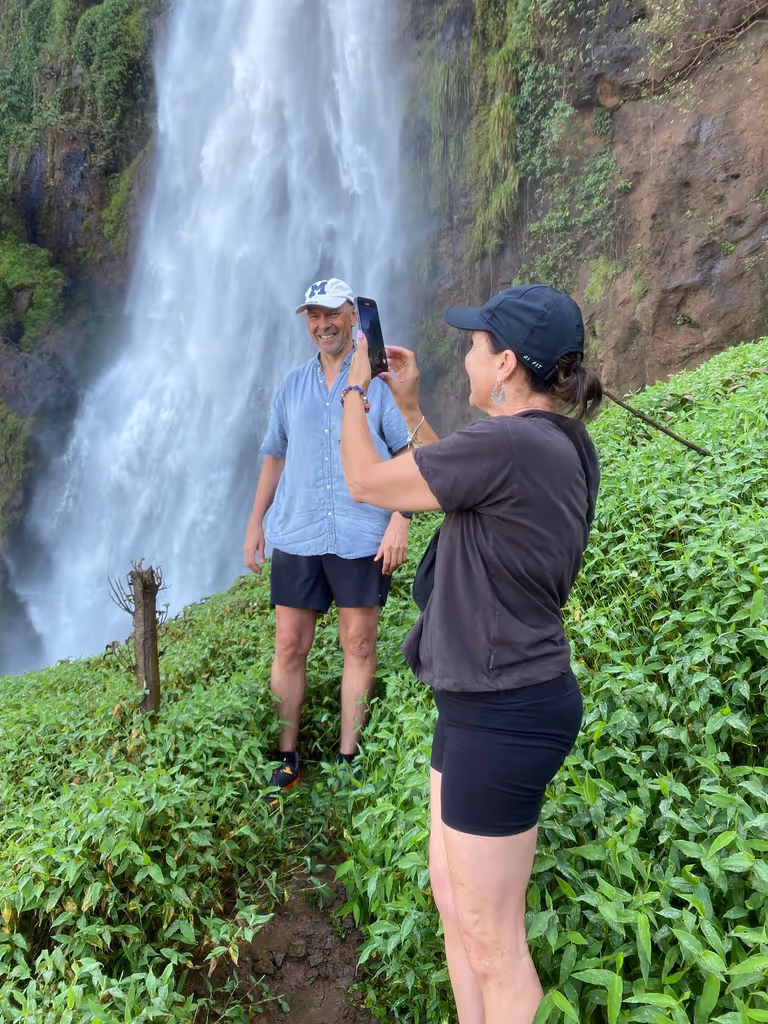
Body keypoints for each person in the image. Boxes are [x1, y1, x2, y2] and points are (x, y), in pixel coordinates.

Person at [339, 284, 602, 1024]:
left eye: (476, 344)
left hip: (505, 709)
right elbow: (463, 486)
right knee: (453, 899)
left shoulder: (513, 444)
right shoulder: (555, 445)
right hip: (480, 700)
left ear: (509, 363)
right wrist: (416, 412)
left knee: (495, 941)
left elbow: (365, 480)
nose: (466, 354)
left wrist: (354, 387)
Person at [243, 277, 413, 798]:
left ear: (352, 316)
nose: (322, 325)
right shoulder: (292, 385)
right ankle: (287, 757)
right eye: (313, 316)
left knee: (358, 644)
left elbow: (409, 453)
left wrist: (400, 519)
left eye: (332, 314)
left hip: (362, 536)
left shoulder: (378, 386)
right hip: (296, 533)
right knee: (289, 645)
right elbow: (274, 454)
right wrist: (255, 522)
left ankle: (347, 759)